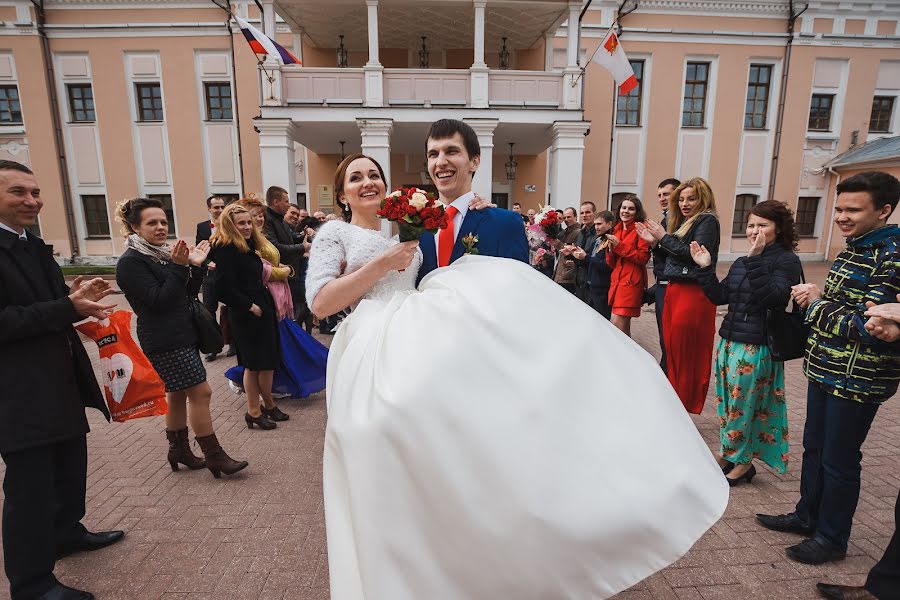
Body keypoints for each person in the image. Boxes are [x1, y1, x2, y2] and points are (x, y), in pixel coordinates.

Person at [307, 147, 728, 600]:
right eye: (356, 178)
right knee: (388, 439)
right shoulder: (335, 233)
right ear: (342, 192)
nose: (368, 182)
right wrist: (379, 267)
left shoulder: (400, 235)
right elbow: (320, 302)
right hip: (372, 344)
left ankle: (452, 546)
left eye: (374, 174)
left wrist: (474, 207)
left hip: (412, 337)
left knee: (441, 444)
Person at [757, 171, 900, 566]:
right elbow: (847, 309)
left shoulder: (892, 255)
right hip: (825, 370)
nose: (841, 217)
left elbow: (868, 328)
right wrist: (821, 300)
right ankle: (807, 516)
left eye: (853, 210)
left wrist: (815, 303)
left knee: (839, 460)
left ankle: (832, 538)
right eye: (839, 208)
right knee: (816, 450)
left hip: (858, 379)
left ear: (884, 210)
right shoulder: (856, 246)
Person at [0, 160, 124, 600]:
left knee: (69, 467)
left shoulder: (31, 245)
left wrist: (78, 298)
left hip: (58, 379)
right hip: (17, 391)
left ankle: (65, 533)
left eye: (34, 192)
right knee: (29, 488)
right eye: (18, 192)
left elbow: (53, 305)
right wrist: (65, 309)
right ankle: (32, 585)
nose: (32, 200)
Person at [115, 197, 248, 479]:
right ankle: (215, 456)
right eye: (152, 223)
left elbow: (186, 294)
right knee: (201, 392)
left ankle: (179, 451)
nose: (161, 227)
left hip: (181, 333)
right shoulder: (130, 262)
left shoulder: (160, 254)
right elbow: (159, 301)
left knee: (176, 395)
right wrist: (178, 267)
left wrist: (195, 266)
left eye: (164, 221)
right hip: (164, 340)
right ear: (135, 228)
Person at [689, 200, 801, 486]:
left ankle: (743, 461)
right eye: (751, 225)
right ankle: (730, 453)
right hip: (729, 342)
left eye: (762, 225)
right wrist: (704, 268)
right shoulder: (742, 261)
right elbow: (720, 296)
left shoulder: (785, 260)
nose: (754, 230)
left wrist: (755, 260)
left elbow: (775, 299)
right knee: (728, 404)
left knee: (744, 405)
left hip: (757, 345)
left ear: (779, 228)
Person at [223, 197, 328, 402]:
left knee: (279, 348)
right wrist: (286, 271)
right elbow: (260, 271)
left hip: (277, 296)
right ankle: (252, 391)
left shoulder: (258, 239)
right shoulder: (242, 245)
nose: (257, 220)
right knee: (272, 351)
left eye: (259, 216)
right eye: (252, 218)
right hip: (265, 297)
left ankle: (272, 391)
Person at [637, 177, 720, 414]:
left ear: (702, 199)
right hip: (676, 288)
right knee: (672, 350)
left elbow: (695, 254)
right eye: (681, 199)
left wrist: (663, 238)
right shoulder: (683, 222)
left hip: (692, 292)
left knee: (686, 354)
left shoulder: (706, 221)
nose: (685, 203)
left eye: (691, 198)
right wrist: (656, 243)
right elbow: (671, 257)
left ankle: (682, 407)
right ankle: (673, 405)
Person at [418, 119, 528, 279]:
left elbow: (519, 289)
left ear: (474, 162)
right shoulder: (415, 227)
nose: (440, 162)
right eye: (433, 154)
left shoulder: (507, 223)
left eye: (451, 151)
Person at [212, 203, 283, 431]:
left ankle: (269, 405)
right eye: (241, 223)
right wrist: (249, 306)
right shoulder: (226, 248)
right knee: (253, 365)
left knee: (268, 361)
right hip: (246, 313)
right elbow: (221, 287)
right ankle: (253, 411)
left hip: (262, 308)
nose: (246, 226)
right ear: (229, 225)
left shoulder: (249, 244)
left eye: (248, 222)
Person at [195, 195, 235, 361]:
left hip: (229, 275)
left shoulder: (231, 225)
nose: (219, 210)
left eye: (222, 207)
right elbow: (200, 248)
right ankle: (213, 347)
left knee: (231, 309)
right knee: (209, 312)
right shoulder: (202, 227)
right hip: (210, 276)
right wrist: (208, 262)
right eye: (216, 207)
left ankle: (233, 343)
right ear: (209, 209)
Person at [647, 178, 680, 372]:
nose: (661, 198)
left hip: (671, 284)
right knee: (664, 338)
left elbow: (676, 252)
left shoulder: (676, 220)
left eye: (666, 194)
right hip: (662, 281)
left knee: (670, 338)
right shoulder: (666, 219)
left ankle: (669, 374)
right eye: (659, 195)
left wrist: (659, 240)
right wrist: (654, 244)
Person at [606, 195, 650, 337]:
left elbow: (643, 258)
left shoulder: (641, 229)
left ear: (637, 212)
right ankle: (630, 358)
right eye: (624, 208)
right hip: (617, 283)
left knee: (618, 328)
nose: (626, 211)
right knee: (623, 331)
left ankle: (621, 357)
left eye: (631, 209)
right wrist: (610, 250)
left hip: (631, 283)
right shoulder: (617, 229)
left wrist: (620, 246)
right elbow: (611, 263)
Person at [587, 211, 615, 319]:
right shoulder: (598, 239)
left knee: (602, 320)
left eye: (599, 224)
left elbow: (608, 265)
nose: (596, 227)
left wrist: (588, 257)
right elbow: (588, 258)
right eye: (595, 224)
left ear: (609, 224)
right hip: (592, 285)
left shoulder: (611, 240)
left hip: (603, 288)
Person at [571, 201, 599, 303]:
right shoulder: (581, 233)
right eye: (582, 213)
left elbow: (599, 260)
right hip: (579, 281)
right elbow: (579, 255)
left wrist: (584, 257)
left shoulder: (598, 233)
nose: (584, 215)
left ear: (595, 214)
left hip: (592, 283)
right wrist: (571, 254)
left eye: (588, 212)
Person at [552, 207, 581, 293]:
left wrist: (559, 244)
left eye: (569, 217)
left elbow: (576, 250)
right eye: (564, 218)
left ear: (575, 217)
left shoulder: (579, 232)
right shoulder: (564, 232)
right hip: (560, 272)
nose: (566, 220)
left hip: (569, 275)